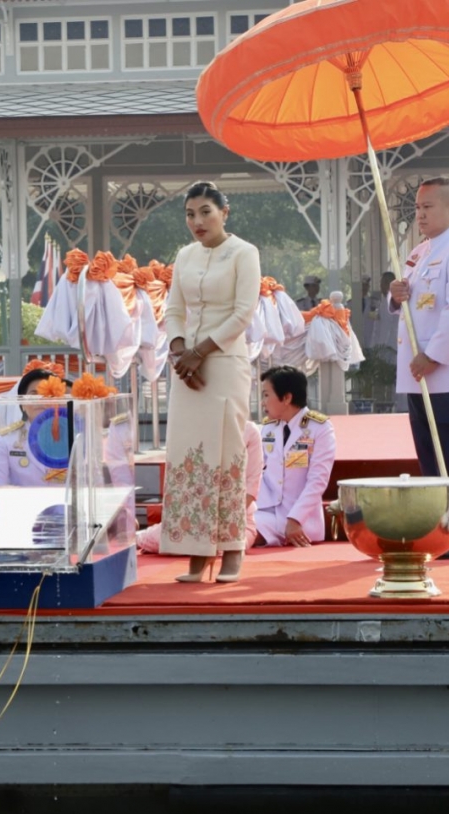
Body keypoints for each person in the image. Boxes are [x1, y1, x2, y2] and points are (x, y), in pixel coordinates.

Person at [160, 180, 261, 582]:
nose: (197, 221)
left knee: (227, 452)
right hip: (186, 368)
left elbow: (242, 313)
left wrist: (200, 353)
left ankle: (233, 549)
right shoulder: (184, 255)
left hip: (224, 362)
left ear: (225, 212)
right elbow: (173, 309)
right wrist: (181, 351)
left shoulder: (244, 253)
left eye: (205, 212)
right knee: (189, 454)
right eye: (190, 213)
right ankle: (196, 554)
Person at [389, 177, 449, 476]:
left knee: (447, 458)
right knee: (430, 462)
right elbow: (407, 300)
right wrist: (395, 295)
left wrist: (433, 355)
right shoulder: (419, 252)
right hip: (417, 375)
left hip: (443, 373)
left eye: (428, 206)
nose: (420, 214)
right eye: (417, 207)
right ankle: (440, 521)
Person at [138, 421, 263, 554]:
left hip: (238, 523)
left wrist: (221, 522)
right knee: (158, 541)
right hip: (195, 520)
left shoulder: (249, 430)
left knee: (221, 549)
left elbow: (251, 489)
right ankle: (138, 536)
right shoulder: (196, 425)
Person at [255, 365, 336, 547]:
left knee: (242, 534)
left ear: (286, 398)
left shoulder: (319, 428)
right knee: (238, 529)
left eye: (267, 395)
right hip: (267, 514)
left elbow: (318, 480)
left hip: (300, 520)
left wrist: (295, 519)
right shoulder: (268, 428)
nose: (263, 402)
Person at [0, 366, 72, 487]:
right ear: (22, 404)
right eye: (33, 395)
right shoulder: (7, 439)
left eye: (47, 395)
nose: (40, 400)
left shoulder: (73, 434)